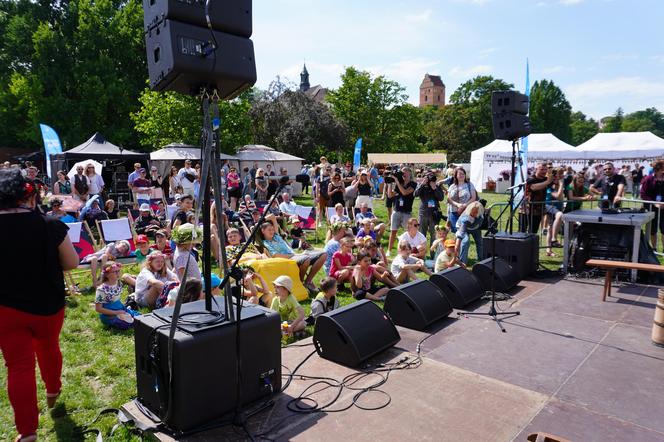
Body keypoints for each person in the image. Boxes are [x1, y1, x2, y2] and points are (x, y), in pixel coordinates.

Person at [0, 169, 79, 440]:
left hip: (6, 309)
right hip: (47, 305)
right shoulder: (50, 224)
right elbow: (71, 263)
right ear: (29, 195)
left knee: (19, 367)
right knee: (48, 347)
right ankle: (53, 390)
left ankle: (27, 432)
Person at [260, 219, 327, 292]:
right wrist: (295, 255)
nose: (272, 231)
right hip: (288, 258)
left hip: (295, 255)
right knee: (306, 259)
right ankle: (300, 283)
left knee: (323, 255)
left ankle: (308, 281)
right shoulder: (266, 243)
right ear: (263, 231)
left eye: (272, 229)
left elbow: (273, 218)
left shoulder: (276, 236)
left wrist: (298, 254)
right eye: (269, 230)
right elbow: (276, 255)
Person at [94, 262, 140, 329]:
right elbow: (98, 309)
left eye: (118, 271)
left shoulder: (118, 283)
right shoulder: (101, 290)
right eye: (115, 272)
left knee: (139, 318)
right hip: (109, 315)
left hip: (120, 308)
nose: (118, 273)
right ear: (107, 275)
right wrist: (116, 312)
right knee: (128, 324)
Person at [387, 167, 417, 255]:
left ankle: (407, 250)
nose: (403, 174)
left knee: (407, 232)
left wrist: (396, 182)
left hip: (406, 212)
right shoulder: (399, 184)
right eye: (402, 172)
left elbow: (404, 192)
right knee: (393, 231)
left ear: (410, 173)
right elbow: (390, 195)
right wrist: (389, 184)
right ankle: (389, 250)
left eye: (405, 172)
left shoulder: (413, 184)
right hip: (397, 210)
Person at [414, 170, 445, 245]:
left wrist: (434, 188)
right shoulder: (421, 185)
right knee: (422, 234)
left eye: (431, 175)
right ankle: (422, 253)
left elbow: (441, 198)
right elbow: (415, 194)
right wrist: (422, 184)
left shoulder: (436, 186)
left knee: (434, 235)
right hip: (423, 213)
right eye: (428, 176)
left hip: (434, 214)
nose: (430, 178)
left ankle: (433, 254)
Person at [639, 159, 664, 247]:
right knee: (653, 230)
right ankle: (654, 248)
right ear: (660, 168)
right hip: (652, 208)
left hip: (663, 208)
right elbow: (643, 194)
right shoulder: (648, 179)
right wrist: (654, 203)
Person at [447, 167, 476, 233]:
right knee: (456, 231)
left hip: (466, 212)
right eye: (459, 174)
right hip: (453, 212)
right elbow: (448, 198)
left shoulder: (469, 185)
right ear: (456, 175)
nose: (461, 175)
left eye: (463, 174)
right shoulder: (452, 186)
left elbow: (473, 197)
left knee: (464, 231)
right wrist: (457, 204)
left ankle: (463, 243)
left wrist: (464, 205)